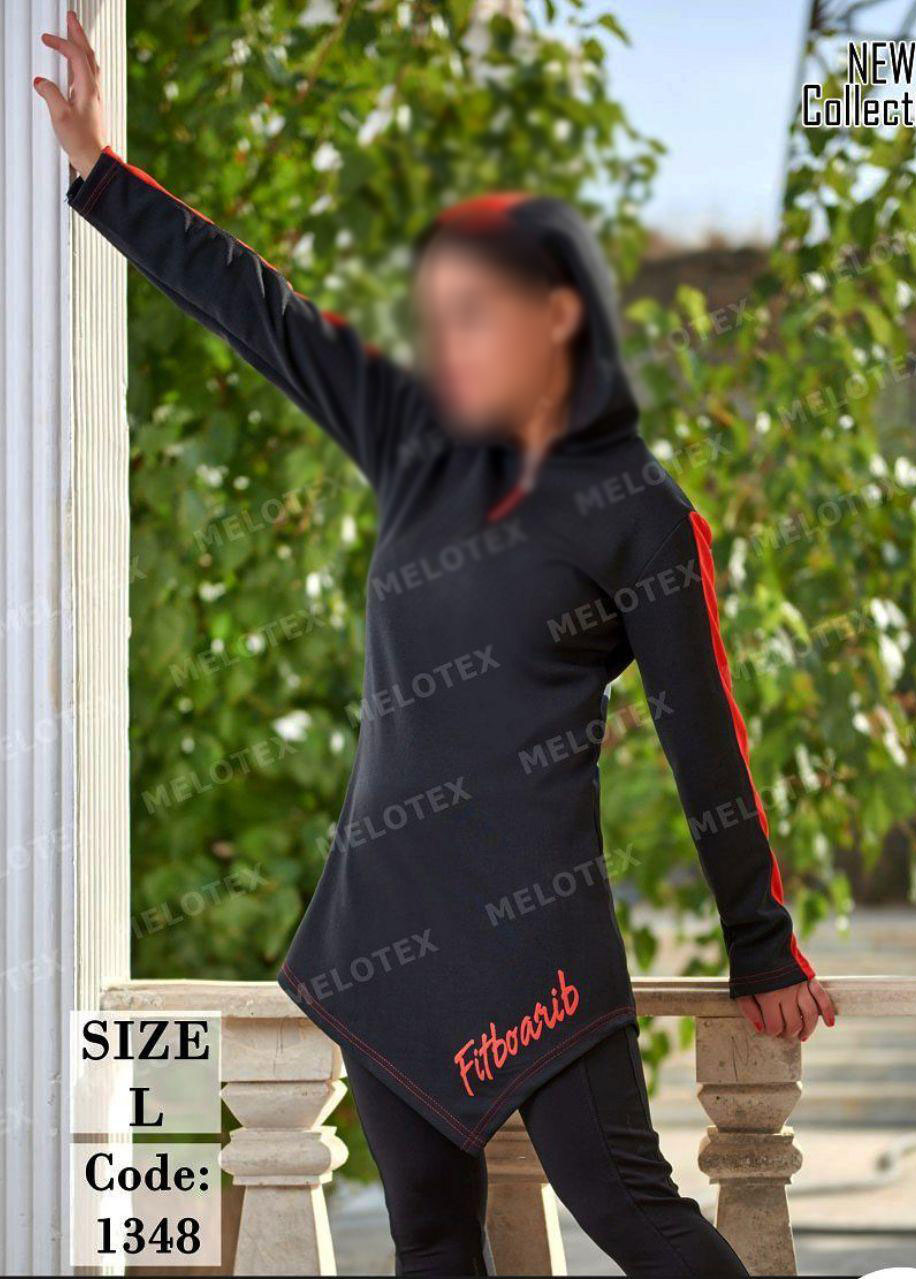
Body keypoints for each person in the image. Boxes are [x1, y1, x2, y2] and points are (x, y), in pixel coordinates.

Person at [37, 12, 836, 1277]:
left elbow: (706, 742)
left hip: (537, 933)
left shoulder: (640, 510)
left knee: (631, 1209)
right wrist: (99, 171)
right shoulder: (418, 443)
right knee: (427, 1236)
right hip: (387, 923)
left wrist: (760, 940)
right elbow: (261, 309)